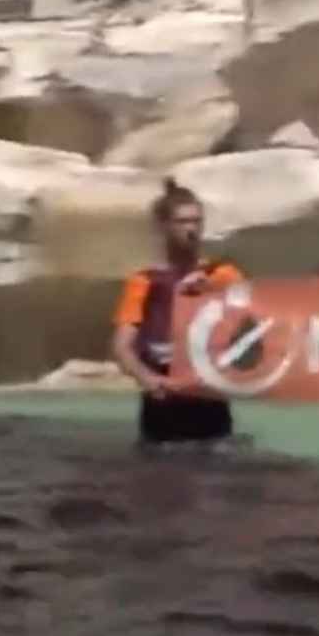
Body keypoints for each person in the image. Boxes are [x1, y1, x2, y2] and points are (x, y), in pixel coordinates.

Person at [111, 178, 245, 447]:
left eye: (197, 221)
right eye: (183, 222)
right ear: (164, 227)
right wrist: (146, 378)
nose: (191, 228)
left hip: (209, 399)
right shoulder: (145, 281)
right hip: (163, 402)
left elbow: (259, 323)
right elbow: (121, 346)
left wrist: (216, 292)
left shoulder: (225, 275)